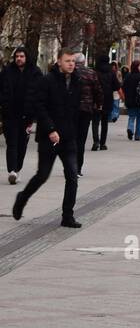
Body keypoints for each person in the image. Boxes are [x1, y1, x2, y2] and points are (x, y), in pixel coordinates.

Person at [12, 45, 82, 229]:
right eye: (67, 61)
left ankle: (67, 215)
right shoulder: (47, 81)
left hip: (68, 139)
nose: (71, 64)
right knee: (42, 175)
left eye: (73, 61)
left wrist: (76, 133)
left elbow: (75, 109)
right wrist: (50, 129)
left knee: (72, 177)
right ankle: (22, 197)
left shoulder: (77, 81)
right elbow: (39, 106)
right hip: (48, 137)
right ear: (59, 61)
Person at [0, 46, 40, 183]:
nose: (19, 59)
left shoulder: (35, 72)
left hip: (26, 116)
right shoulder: (7, 71)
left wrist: (35, 114)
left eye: (21, 56)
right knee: (11, 143)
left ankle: (17, 168)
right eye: (17, 56)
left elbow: (40, 93)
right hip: (9, 114)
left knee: (22, 144)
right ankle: (12, 170)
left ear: (26, 57)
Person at [73, 53, 103, 176]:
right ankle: (78, 168)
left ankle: (70, 166)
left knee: (72, 138)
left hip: (72, 109)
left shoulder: (71, 73)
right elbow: (98, 90)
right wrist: (98, 104)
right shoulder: (91, 73)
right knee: (81, 139)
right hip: (86, 109)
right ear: (84, 61)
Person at [92, 55, 119, 151]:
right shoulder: (111, 72)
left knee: (95, 122)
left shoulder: (95, 72)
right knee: (105, 122)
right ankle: (103, 143)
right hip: (108, 99)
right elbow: (116, 86)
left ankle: (96, 142)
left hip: (96, 99)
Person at [123, 61, 140, 140]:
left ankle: (130, 128)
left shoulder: (128, 76)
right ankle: (137, 136)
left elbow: (124, 87)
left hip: (130, 101)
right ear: (138, 67)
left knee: (131, 117)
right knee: (139, 118)